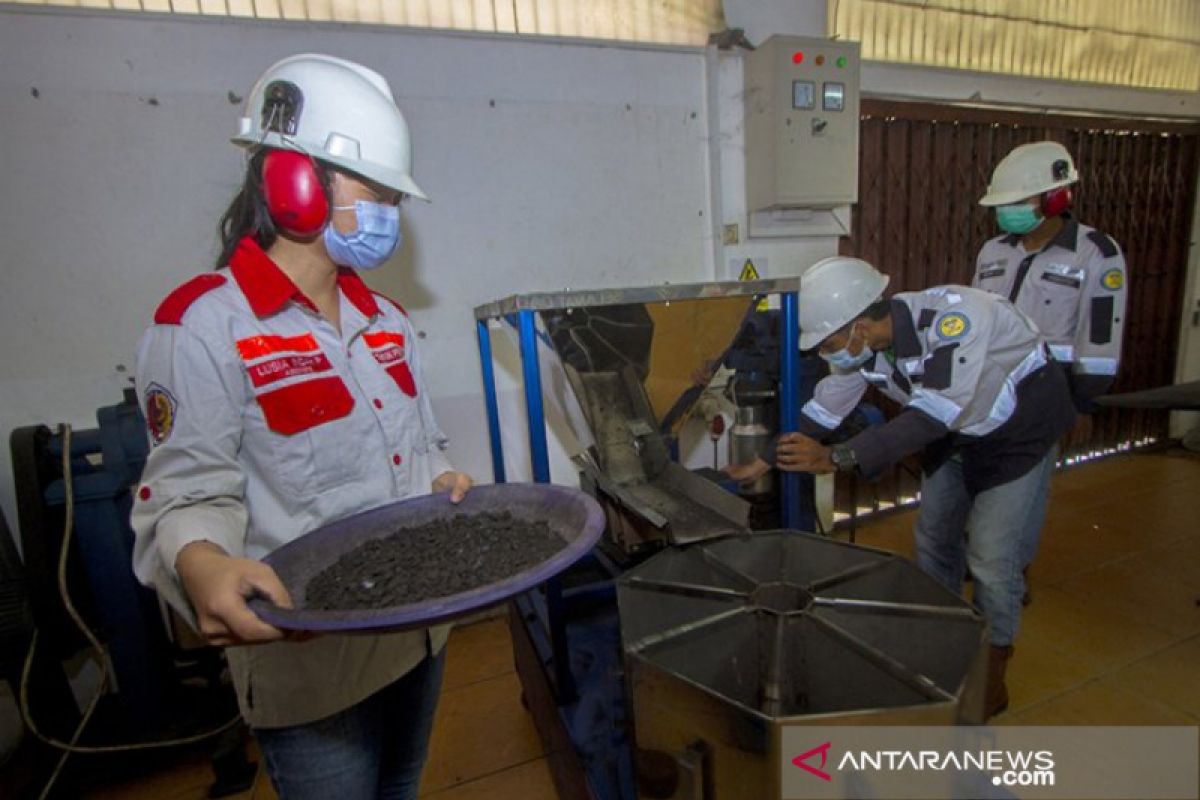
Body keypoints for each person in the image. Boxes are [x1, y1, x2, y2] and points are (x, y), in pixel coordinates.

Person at [129, 54, 473, 799]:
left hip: (418, 635)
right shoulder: (201, 327)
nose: (388, 210)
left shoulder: (386, 321)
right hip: (312, 665)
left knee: (403, 786)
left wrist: (439, 477)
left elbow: (421, 446)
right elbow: (186, 496)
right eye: (375, 189)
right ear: (293, 182)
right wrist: (202, 564)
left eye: (393, 195)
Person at [727, 257, 1076, 718]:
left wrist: (836, 458)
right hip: (953, 435)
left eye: (829, 342)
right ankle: (942, 645)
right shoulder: (865, 350)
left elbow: (933, 414)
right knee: (932, 542)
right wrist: (762, 459)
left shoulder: (958, 318)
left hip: (1017, 434)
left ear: (860, 325)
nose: (828, 354)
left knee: (991, 559)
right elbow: (826, 410)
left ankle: (993, 671)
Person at [973, 140, 1128, 603]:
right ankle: (990, 560)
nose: (1007, 214)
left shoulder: (1097, 254)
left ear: (1056, 198)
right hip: (989, 387)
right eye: (1003, 206)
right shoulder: (992, 251)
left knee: (1027, 486)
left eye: (1018, 203)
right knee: (988, 478)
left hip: (1049, 392)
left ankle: (1011, 574)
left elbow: (1100, 338)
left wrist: (1083, 404)